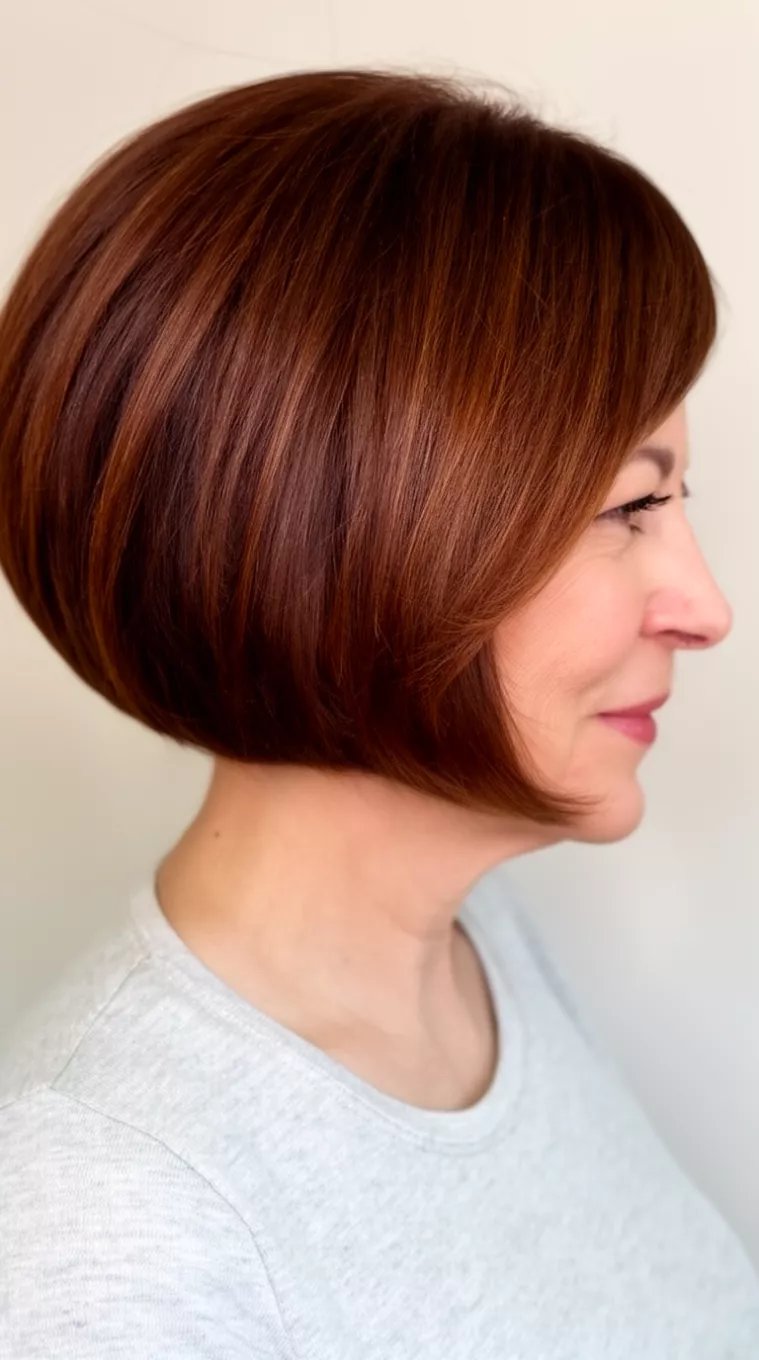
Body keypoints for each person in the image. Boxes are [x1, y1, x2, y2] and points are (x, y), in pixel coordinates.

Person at [0, 66, 756, 1358]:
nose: (700, 605)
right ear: (332, 538)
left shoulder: (476, 946)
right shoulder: (109, 1228)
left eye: (675, 498)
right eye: (626, 507)